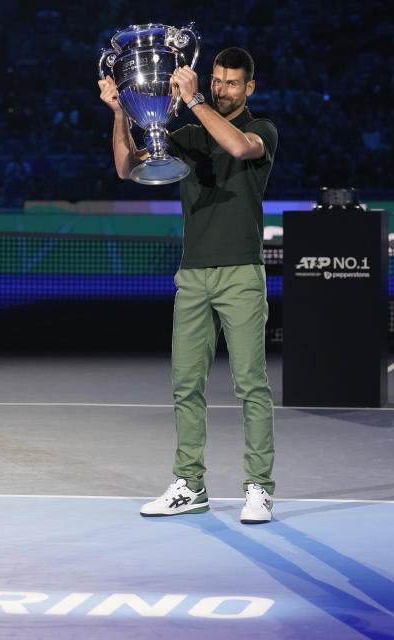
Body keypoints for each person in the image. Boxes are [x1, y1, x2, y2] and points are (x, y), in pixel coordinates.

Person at [98, 47, 278, 524]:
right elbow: (126, 167)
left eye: (231, 83)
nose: (222, 89)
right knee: (185, 386)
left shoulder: (262, 131)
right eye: (216, 80)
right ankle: (189, 484)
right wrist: (120, 113)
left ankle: (258, 487)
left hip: (240, 273)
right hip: (193, 276)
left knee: (250, 385)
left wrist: (194, 98)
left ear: (249, 88)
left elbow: (239, 149)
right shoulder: (186, 136)